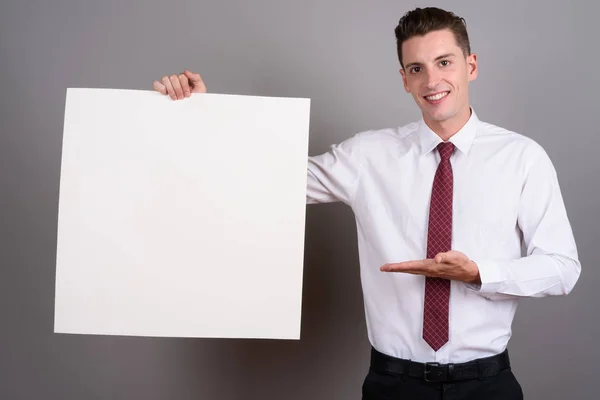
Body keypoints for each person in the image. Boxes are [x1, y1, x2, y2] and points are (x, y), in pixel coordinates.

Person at [152, 7, 580, 400]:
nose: (432, 81)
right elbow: (267, 181)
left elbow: (563, 268)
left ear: (471, 65)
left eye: (444, 62)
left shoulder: (522, 158)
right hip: (393, 385)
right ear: (404, 79)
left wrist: (478, 273)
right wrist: (202, 116)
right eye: (417, 68)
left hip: (487, 385)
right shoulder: (367, 156)